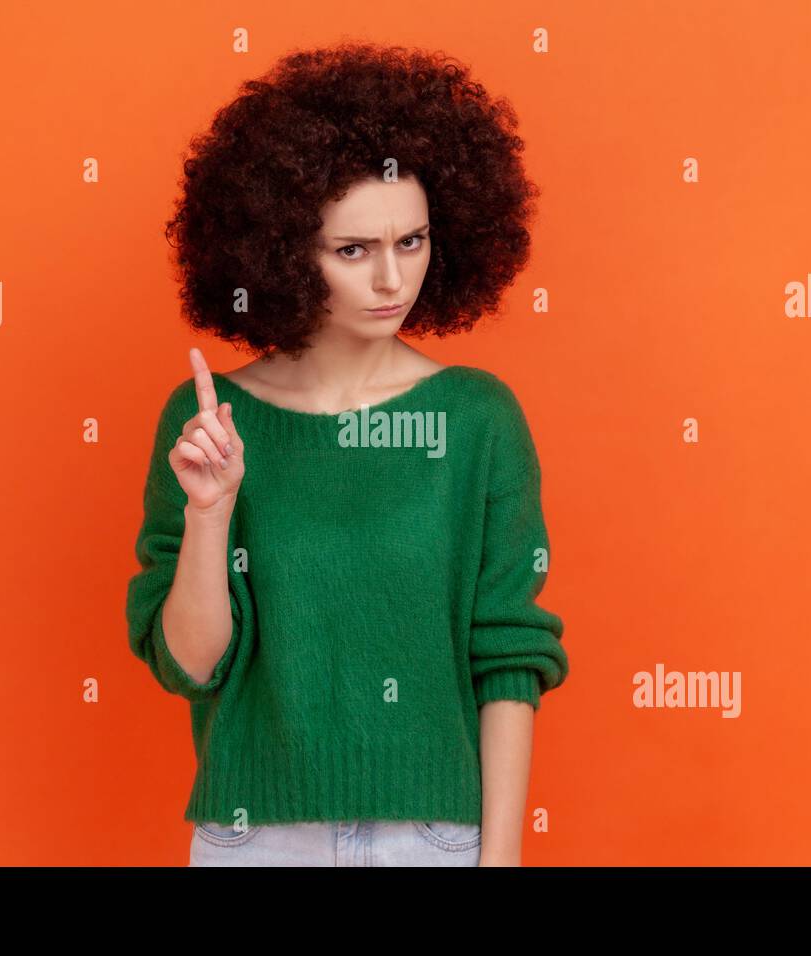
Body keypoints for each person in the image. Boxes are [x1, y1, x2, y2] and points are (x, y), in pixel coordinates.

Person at [125, 41, 569, 866]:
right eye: (354, 250)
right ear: (287, 253)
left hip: (436, 839)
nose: (392, 281)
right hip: (252, 837)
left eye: (413, 241)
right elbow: (190, 664)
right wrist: (210, 509)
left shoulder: (478, 420)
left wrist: (501, 859)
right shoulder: (209, 421)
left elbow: (509, 657)